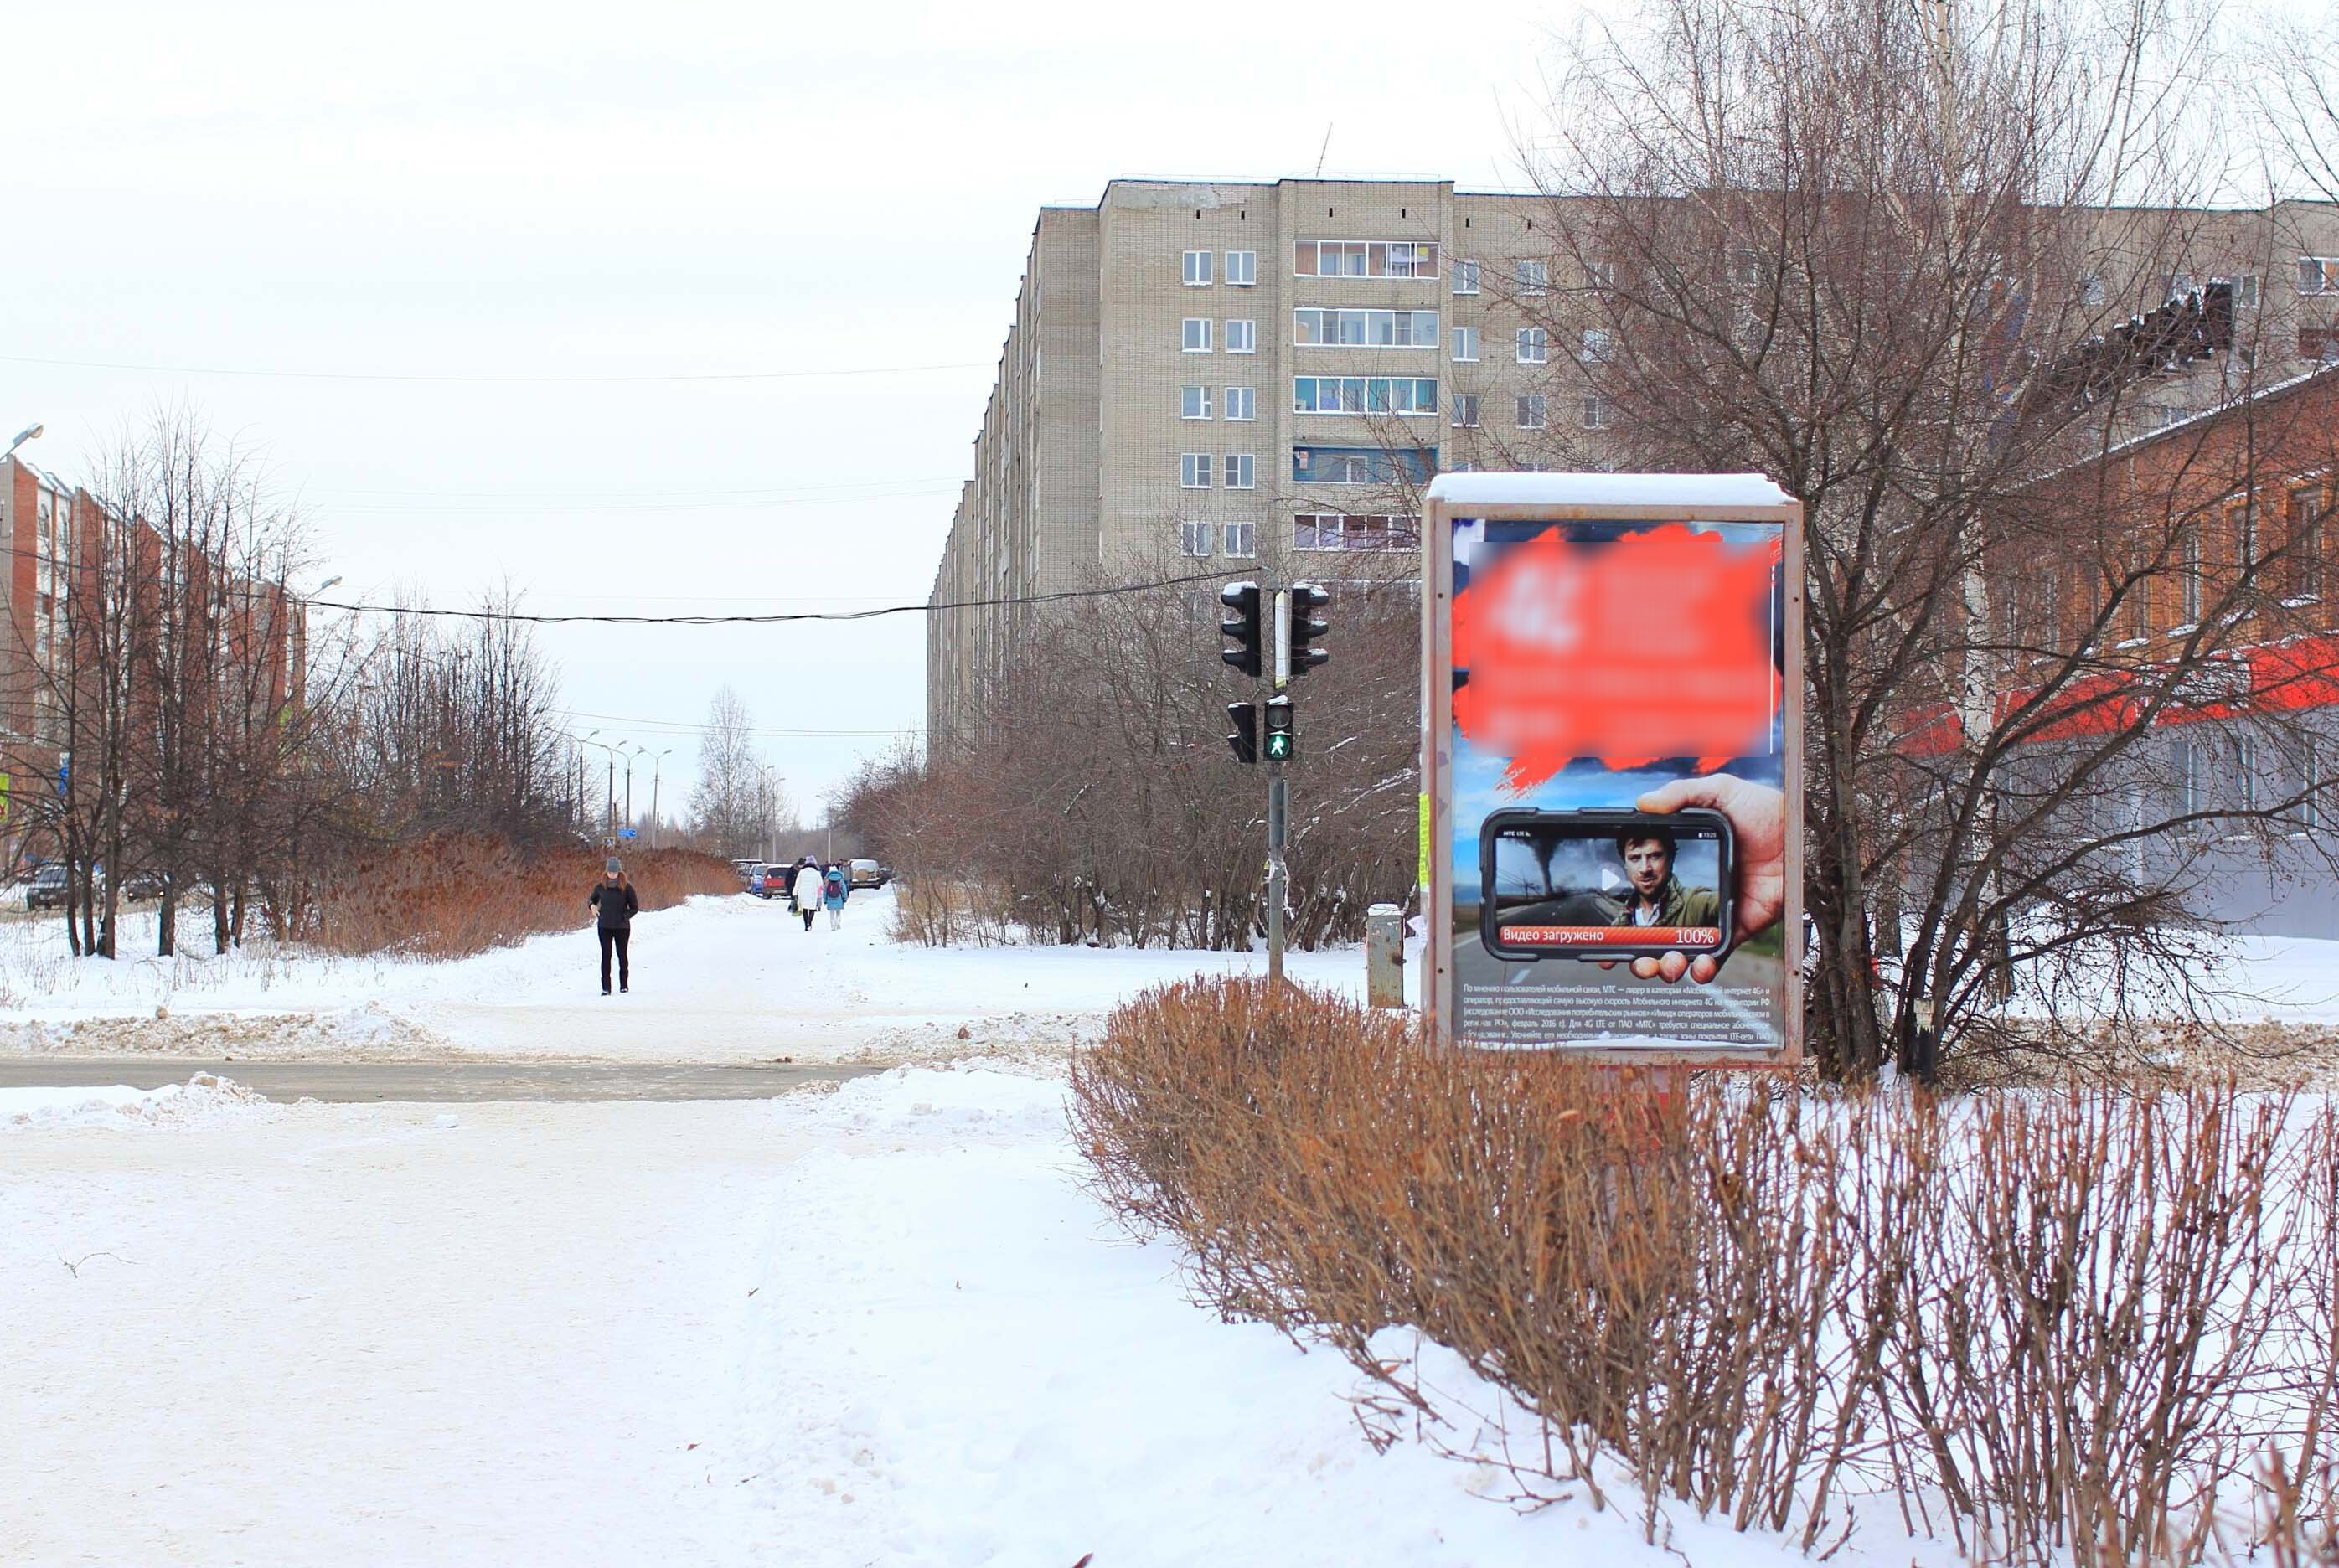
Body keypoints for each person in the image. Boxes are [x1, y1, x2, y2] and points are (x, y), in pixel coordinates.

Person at [1608, 827, 1722, 931]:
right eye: (1635, 858)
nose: (1645, 869)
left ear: (1671, 859)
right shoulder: (1619, 925)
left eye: (1655, 856)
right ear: (1625, 865)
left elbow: (1721, 903)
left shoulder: (1697, 904)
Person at [588, 858, 639, 995]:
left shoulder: (627, 887)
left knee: (622, 955)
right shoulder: (600, 887)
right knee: (606, 955)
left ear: (619, 872)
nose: (612, 874)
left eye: (614, 871)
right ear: (606, 872)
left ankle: (624, 985)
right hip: (604, 926)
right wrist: (592, 906)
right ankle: (606, 987)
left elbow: (635, 907)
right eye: (610, 871)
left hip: (622, 928)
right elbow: (591, 900)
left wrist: (625, 916)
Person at [790, 858, 823, 932]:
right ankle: (809, 923)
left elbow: (797, 884)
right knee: (812, 909)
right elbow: (820, 884)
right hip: (812, 893)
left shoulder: (801, 872)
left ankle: (806, 925)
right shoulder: (817, 873)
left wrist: (794, 893)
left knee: (804, 909)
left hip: (802, 893)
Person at [821, 861, 849, 931]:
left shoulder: (827, 882)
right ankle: (838, 923)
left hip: (830, 899)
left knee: (832, 913)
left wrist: (825, 900)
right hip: (839, 898)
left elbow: (825, 892)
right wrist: (845, 898)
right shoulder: (840, 881)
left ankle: (832, 926)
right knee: (838, 912)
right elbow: (844, 891)